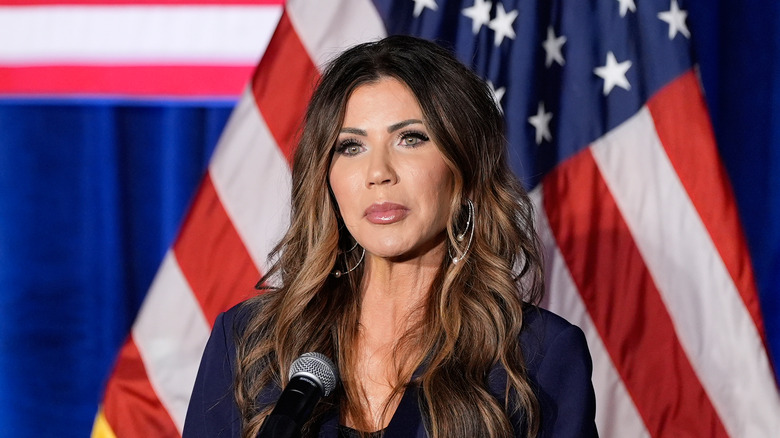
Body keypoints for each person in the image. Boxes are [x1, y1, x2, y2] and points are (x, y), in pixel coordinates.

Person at [182, 35, 598, 438]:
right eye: (350, 146)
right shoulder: (249, 343)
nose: (379, 172)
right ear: (327, 180)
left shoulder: (539, 356)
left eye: (410, 139)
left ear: (466, 170)